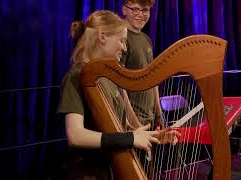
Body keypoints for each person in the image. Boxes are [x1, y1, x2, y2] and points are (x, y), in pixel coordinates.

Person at [58, 10, 179, 179]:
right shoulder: (76, 77)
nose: (124, 47)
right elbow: (76, 135)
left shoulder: (110, 76)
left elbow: (121, 127)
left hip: (111, 167)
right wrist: (130, 138)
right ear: (102, 37)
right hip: (89, 171)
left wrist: (154, 136)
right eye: (122, 41)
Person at [120, 0, 164, 129]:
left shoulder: (146, 39)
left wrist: (159, 114)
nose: (140, 14)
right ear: (124, 10)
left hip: (149, 118)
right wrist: (134, 123)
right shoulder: (120, 38)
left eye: (145, 10)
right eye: (135, 9)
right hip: (132, 121)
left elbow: (152, 78)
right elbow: (118, 84)